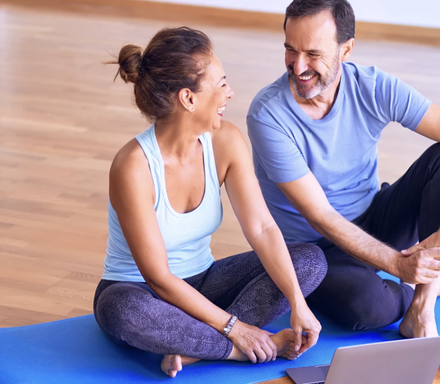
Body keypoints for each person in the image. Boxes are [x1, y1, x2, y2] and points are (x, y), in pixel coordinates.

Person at [247, 0, 440, 361]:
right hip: (317, 250)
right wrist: (398, 266)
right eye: (290, 50)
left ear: (346, 49)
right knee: (367, 309)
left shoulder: (374, 86)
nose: (298, 67)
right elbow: (321, 216)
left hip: (376, 218)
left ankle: (422, 310)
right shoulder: (268, 115)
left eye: (313, 54)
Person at [93, 26, 328, 378]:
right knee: (122, 311)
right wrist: (236, 329)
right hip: (141, 292)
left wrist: (297, 303)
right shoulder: (133, 166)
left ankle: (192, 350)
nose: (229, 93)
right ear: (188, 99)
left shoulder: (226, 142)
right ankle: (233, 350)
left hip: (205, 282)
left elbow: (262, 229)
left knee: (310, 261)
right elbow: (158, 278)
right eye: (220, 84)